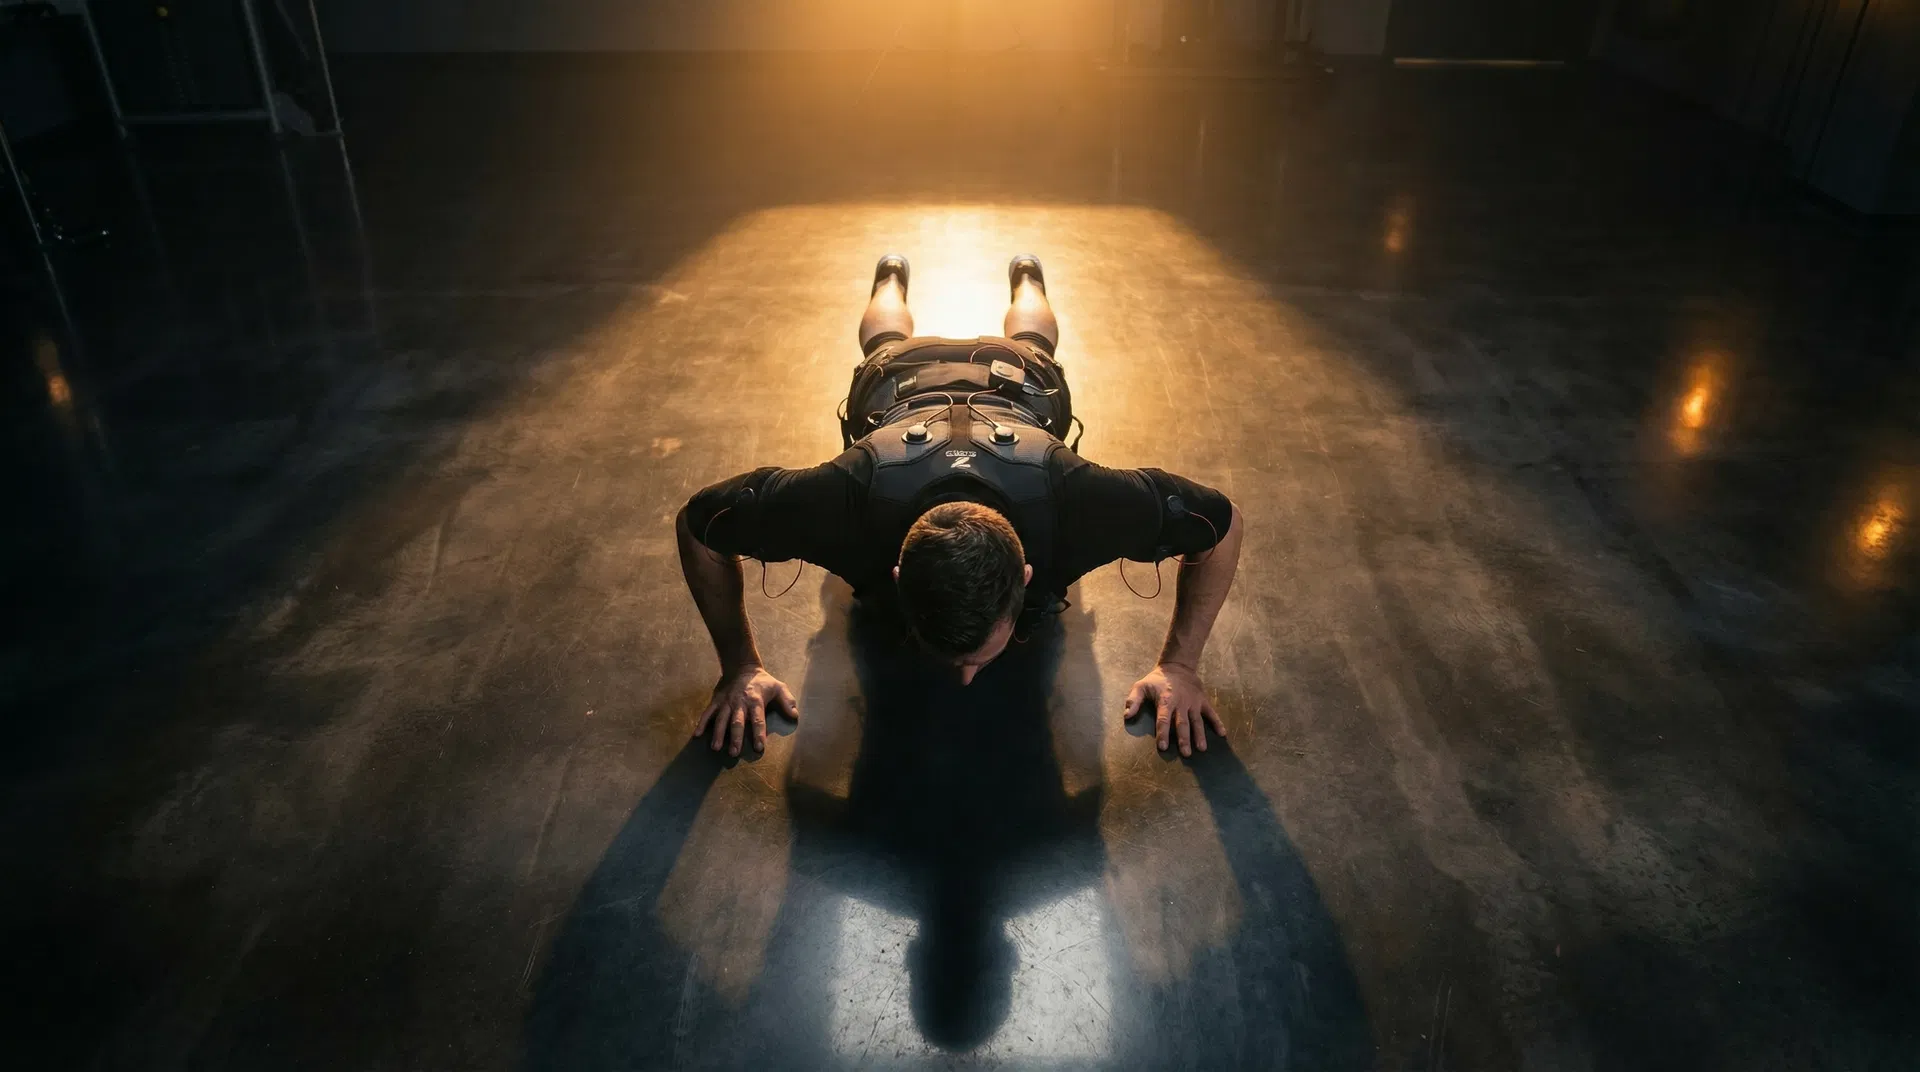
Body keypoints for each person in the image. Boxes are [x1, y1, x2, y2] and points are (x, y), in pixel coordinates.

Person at [676, 254, 1244, 759]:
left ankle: (1021, 276)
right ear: (899, 578)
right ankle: (896, 275)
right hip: (900, 383)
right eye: (956, 658)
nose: (967, 680)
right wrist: (740, 666)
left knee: (1024, 349)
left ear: (1025, 575)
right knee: (889, 350)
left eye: (972, 656)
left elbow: (1221, 524)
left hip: (1011, 380)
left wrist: (1180, 667)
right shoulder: (842, 502)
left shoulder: (1076, 501)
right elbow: (700, 524)